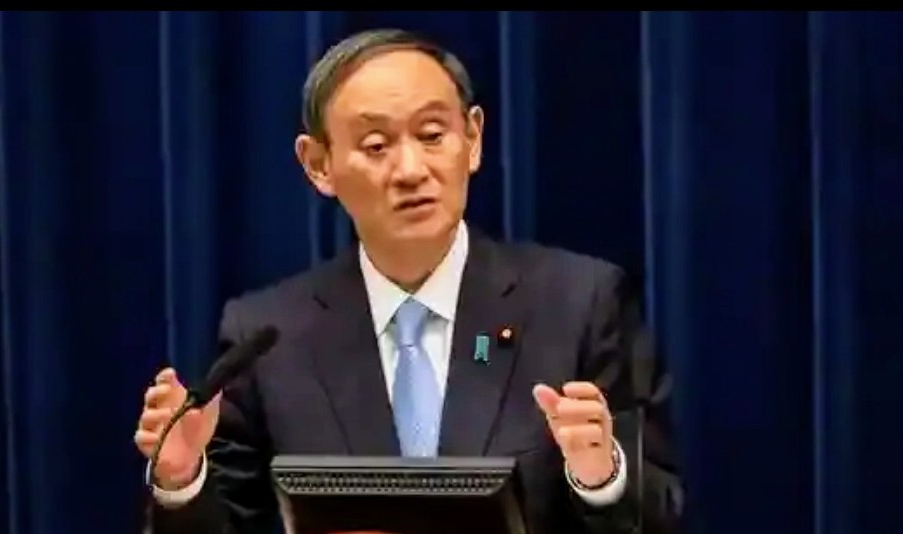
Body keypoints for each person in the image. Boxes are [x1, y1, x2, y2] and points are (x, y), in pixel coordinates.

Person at [134, 28, 682, 534]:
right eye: (376, 146)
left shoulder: (580, 304)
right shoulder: (268, 336)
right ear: (318, 164)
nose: (411, 170)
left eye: (432, 134)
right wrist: (183, 481)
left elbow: (662, 513)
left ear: (473, 138)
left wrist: (603, 478)